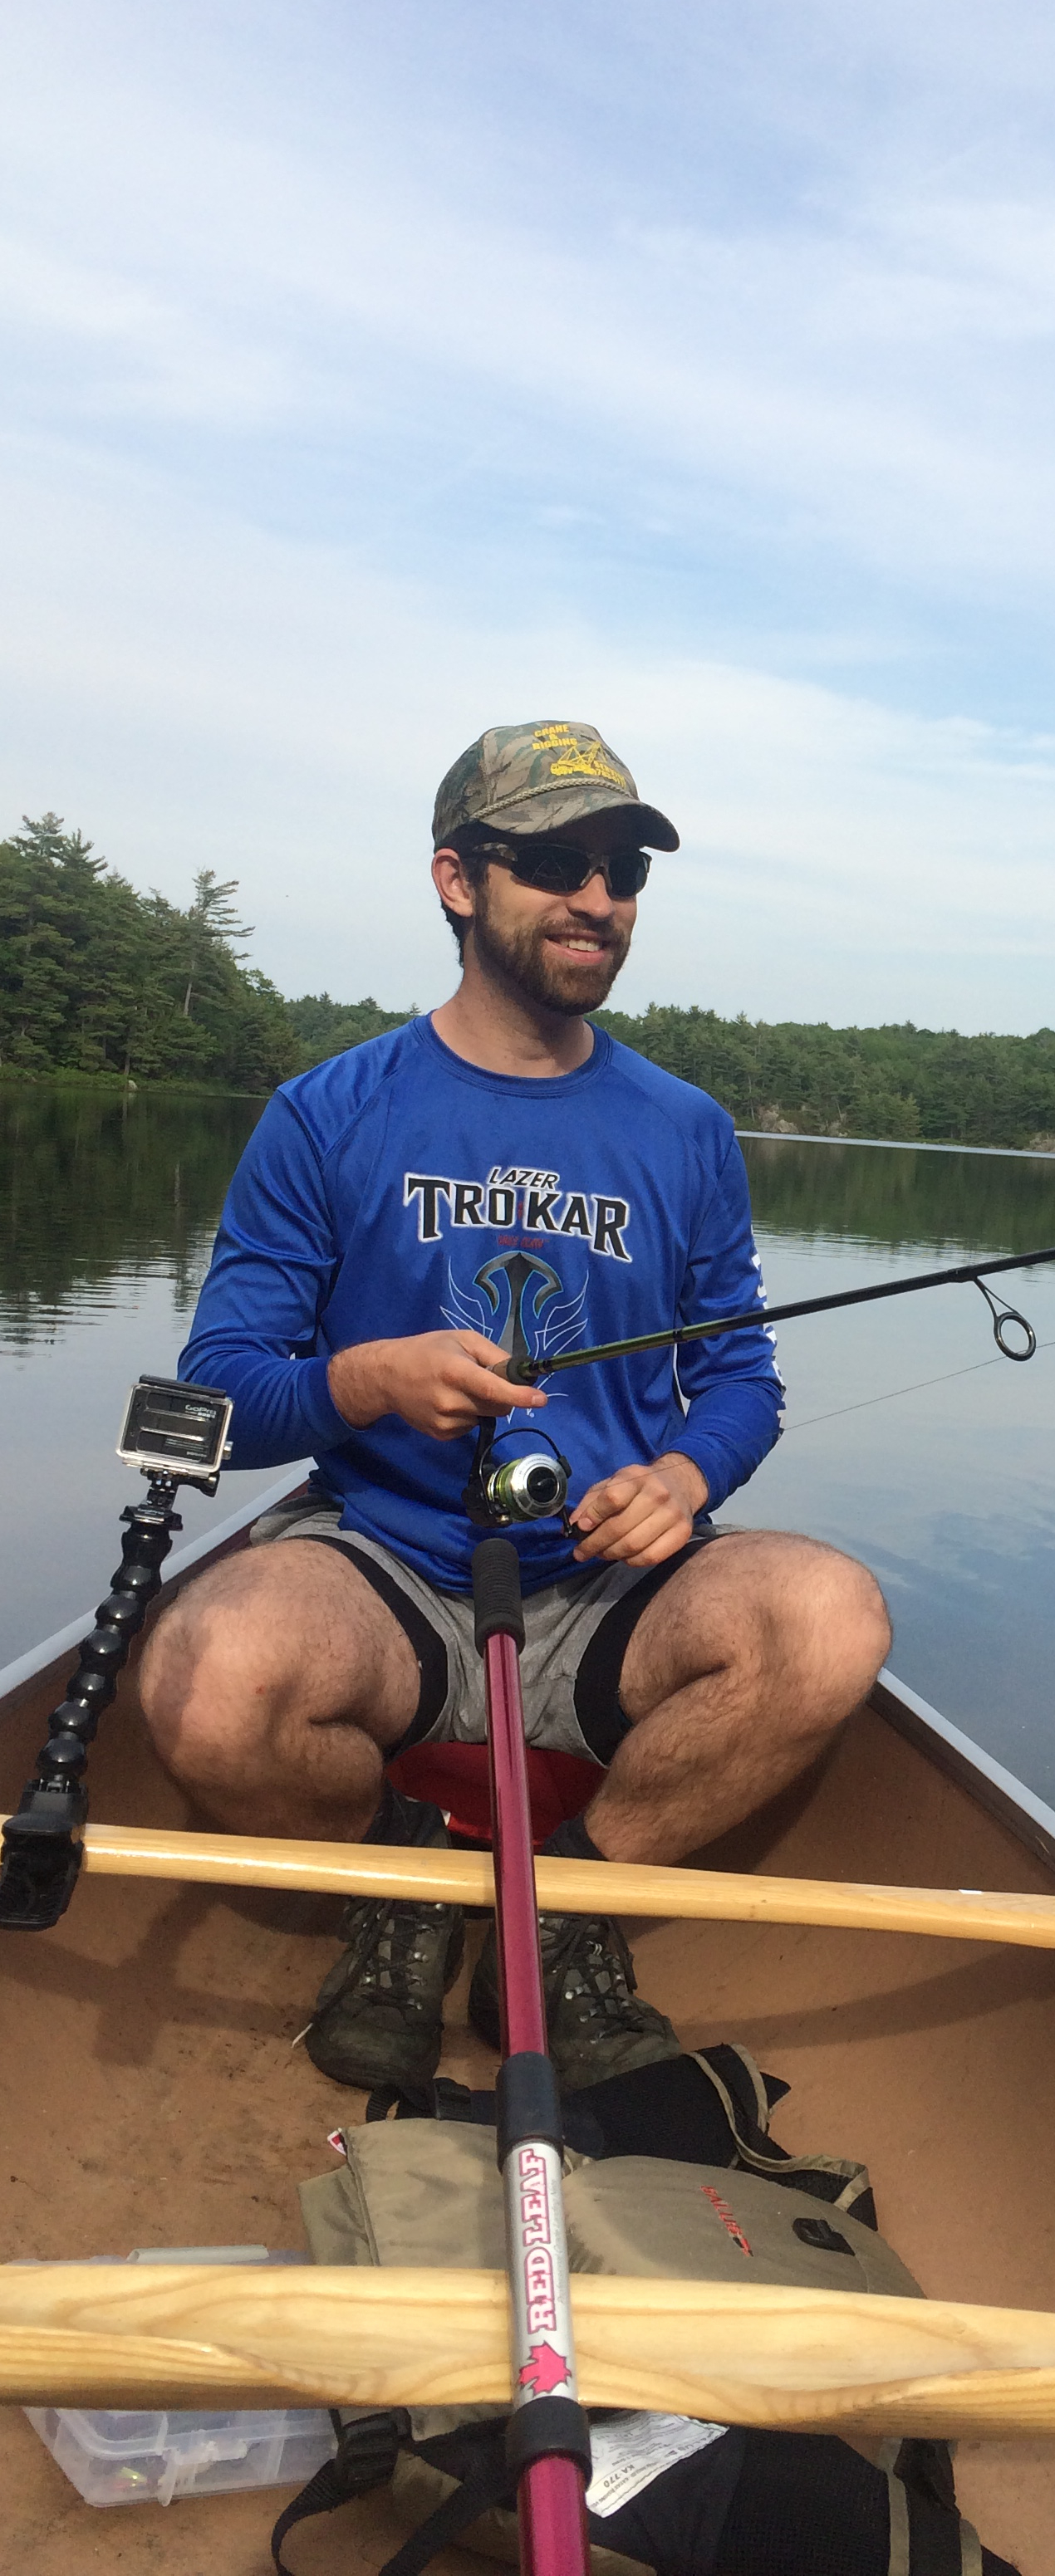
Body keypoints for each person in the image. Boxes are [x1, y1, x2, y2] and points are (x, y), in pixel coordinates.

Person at [139, 719, 891, 2097]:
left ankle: (560, 1911)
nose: (598, 899)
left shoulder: (684, 1129)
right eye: (555, 863)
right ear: (457, 878)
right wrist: (363, 1382)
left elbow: (740, 1380)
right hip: (388, 1565)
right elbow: (222, 1393)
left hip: (608, 1584)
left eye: (624, 870)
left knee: (832, 1619)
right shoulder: (327, 1112)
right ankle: (405, 1885)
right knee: (206, 1679)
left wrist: (686, 1478)